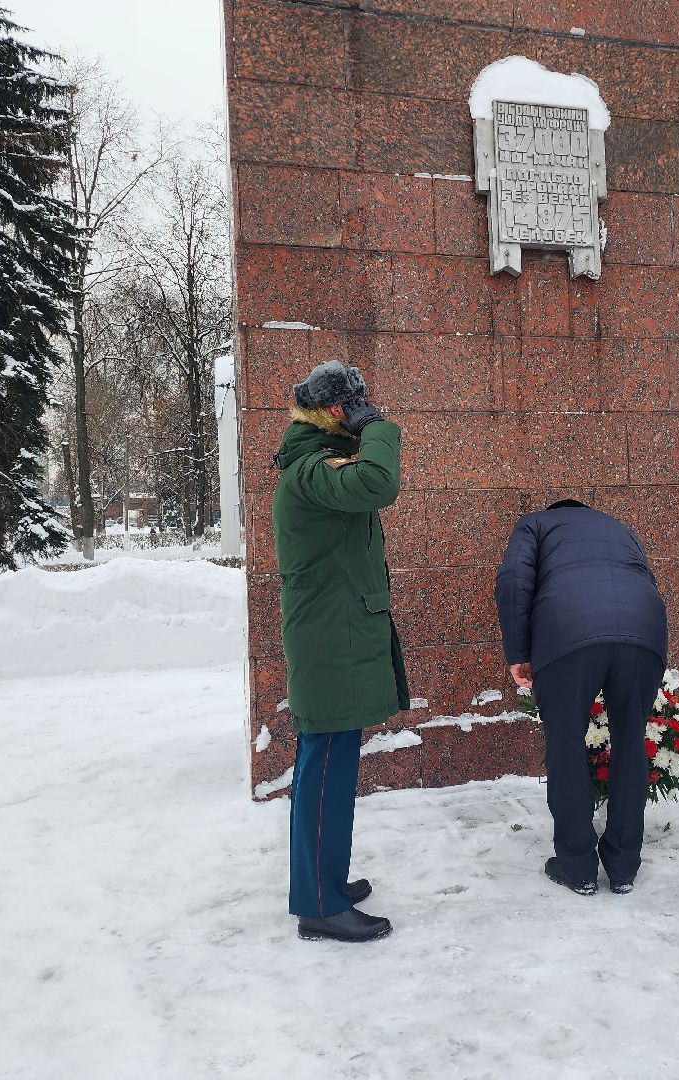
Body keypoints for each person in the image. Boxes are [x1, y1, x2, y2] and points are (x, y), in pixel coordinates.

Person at [272, 360, 409, 942]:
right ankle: (319, 905)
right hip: (331, 639)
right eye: (357, 404)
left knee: (328, 766)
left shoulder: (314, 467)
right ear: (336, 411)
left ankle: (324, 880)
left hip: (335, 634)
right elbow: (380, 483)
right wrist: (378, 427)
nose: (363, 412)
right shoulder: (311, 470)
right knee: (325, 768)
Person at [495, 500, 668, 896]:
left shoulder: (534, 524)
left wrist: (518, 653)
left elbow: (514, 581)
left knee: (565, 744)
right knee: (630, 740)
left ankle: (576, 865)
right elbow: (645, 578)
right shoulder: (618, 526)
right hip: (642, 631)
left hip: (568, 632)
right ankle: (624, 865)